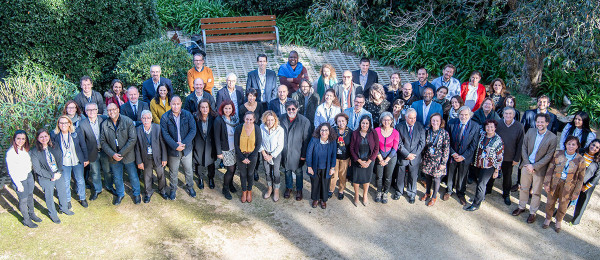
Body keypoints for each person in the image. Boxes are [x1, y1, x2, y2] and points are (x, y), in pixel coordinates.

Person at [511, 113, 557, 224]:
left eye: (542, 122)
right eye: (538, 122)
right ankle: (521, 206)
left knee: (536, 192)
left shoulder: (552, 137)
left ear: (547, 123)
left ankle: (533, 212)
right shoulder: (530, 131)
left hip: (539, 169)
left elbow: (549, 156)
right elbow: (524, 147)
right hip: (526, 166)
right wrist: (527, 163)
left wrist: (534, 166)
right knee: (523, 188)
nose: (539, 124)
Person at [100, 103, 141, 205]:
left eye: (113, 109)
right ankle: (120, 194)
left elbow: (132, 139)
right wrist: (113, 154)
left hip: (128, 154)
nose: (111, 112)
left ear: (118, 109)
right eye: (109, 110)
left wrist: (121, 154)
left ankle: (136, 194)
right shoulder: (105, 124)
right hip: (113, 156)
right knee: (117, 177)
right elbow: (103, 142)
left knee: (133, 175)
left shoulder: (127, 121)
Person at [542, 136, 586, 233]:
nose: (570, 146)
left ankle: (558, 221)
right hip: (554, 183)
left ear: (577, 146)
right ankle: (548, 218)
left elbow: (580, 178)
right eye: (569, 144)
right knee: (550, 202)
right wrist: (546, 183)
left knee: (563, 205)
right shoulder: (558, 154)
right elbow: (550, 169)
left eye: (573, 144)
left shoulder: (580, 160)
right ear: (565, 144)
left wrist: (576, 192)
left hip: (568, 187)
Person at [31, 128, 73, 224]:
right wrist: (51, 175)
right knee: (49, 195)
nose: (44, 138)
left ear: (49, 136)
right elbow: (37, 169)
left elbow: (59, 159)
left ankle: (64, 208)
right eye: (41, 137)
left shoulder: (54, 146)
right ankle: (53, 214)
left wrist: (58, 172)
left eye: (46, 136)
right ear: (37, 138)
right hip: (45, 177)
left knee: (62, 191)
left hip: (58, 173)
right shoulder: (34, 151)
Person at [160, 96, 197, 200]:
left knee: (188, 170)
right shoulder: (165, 117)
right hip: (173, 150)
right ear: (170, 104)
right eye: (173, 104)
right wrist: (176, 146)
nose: (175, 106)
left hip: (186, 148)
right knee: (173, 171)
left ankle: (190, 187)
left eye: (178, 104)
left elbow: (193, 130)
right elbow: (165, 134)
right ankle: (173, 189)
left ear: (181, 103)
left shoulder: (188, 115)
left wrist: (183, 144)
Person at [465, 120, 504, 211]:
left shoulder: (498, 140)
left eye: (491, 127)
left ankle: (476, 204)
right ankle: (480, 197)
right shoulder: (482, 135)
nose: (489, 128)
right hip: (478, 163)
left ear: (495, 128)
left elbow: (500, 156)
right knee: (479, 182)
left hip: (489, 166)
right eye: (487, 126)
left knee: (481, 184)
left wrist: (497, 170)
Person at [444, 106, 480, 205]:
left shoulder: (475, 126)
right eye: (461, 114)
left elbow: (474, 145)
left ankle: (460, 193)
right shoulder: (451, 123)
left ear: (470, 115)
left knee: (462, 176)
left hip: (465, 156)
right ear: (458, 115)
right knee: (451, 174)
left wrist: (463, 156)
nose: (463, 117)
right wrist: (453, 153)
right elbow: (447, 140)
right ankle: (449, 190)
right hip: (453, 154)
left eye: (466, 115)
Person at [52, 115, 89, 208]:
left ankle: (82, 198)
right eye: (61, 123)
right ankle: (67, 200)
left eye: (65, 122)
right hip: (64, 162)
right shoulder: (54, 134)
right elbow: (52, 149)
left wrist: (85, 158)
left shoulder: (76, 131)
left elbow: (83, 145)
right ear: (58, 124)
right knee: (66, 181)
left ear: (69, 123)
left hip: (77, 160)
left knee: (80, 180)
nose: (63, 125)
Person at [6, 130, 40, 228]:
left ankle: (32, 214)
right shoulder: (11, 153)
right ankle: (26, 220)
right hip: (19, 179)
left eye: (23, 139)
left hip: (28, 176)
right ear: (14, 139)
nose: (21, 141)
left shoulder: (25, 149)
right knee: (23, 200)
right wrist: (18, 184)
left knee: (30, 196)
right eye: (18, 138)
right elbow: (11, 171)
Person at [280, 100, 312, 201]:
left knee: (298, 171)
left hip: (297, 152)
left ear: (297, 109)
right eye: (289, 109)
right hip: (285, 151)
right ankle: (288, 187)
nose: (291, 111)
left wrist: (303, 155)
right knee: (287, 170)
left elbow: (307, 140)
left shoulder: (304, 121)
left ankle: (299, 189)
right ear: (286, 109)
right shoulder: (280, 119)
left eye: (293, 109)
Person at [492, 107, 524, 205]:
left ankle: (506, 194)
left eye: (510, 114)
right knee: (492, 173)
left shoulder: (519, 126)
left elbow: (520, 143)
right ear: (503, 114)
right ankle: (488, 190)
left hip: (509, 157)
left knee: (507, 177)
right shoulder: (498, 123)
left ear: (514, 115)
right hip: (496, 155)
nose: (508, 116)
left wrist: (516, 158)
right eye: (506, 113)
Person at [79, 103, 112, 200]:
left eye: (93, 109)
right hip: (92, 152)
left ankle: (109, 186)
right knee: (95, 172)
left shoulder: (104, 119)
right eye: (89, 110)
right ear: (85, 112)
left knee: (107, 170)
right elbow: (83, 142)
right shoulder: (82, 124)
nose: (91, 111)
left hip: (105, 151)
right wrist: (85, 157)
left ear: (97, 110)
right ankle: (98, 189)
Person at [135, 110, 168, 203]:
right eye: (144, 118)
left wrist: (164, 158)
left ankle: (162, 190)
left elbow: (163, 144)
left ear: (151, 119)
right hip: (146, 158)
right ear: (141, 119)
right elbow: (136, 147)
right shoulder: (138, 130)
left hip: (158, 157)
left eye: (148, 118)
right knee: (147, 176)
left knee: (161, 175)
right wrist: (139, 161)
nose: (146, 120)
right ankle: (148, 193)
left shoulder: (157, 128)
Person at [394, 108, 425, 203]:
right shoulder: (399, 126)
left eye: (414, 118)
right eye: (411, 118)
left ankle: (411, 193)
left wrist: (413, 155)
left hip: (415, 157)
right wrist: (407, 154)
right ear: (406, 117)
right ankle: (399, 192)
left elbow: (422, 142)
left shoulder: (420, 126)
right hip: (403, 156)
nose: (413, 120)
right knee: (400, 175)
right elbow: (399, 143)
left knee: (413, 176)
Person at [419, 113, 450, 207]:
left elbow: (446, 149)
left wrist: (443, 163)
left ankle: (434, 196)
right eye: (433, 120)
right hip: (428, 159)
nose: (435, 122)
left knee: (437, 179)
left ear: (441, 122)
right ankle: (427, 192)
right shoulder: (427, 131)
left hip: (438, 161)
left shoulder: (444, 133)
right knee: (428, 176)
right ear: (431, 121)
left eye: (437, 121)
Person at [350, 115, 379, 206]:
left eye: (367, 123)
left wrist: (368, 162)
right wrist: (359, 161)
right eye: (363, 123)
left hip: (369, 161)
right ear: (360, 123)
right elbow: (351, 148)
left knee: (367, 179)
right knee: (356, 179)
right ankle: (356, 196)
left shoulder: (373, 133)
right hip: (357, 161)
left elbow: (376, 148)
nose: (365, 125)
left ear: (369, 124)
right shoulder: (355, 133)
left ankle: (365, 195)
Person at [306, 123, 337, 209]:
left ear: (329, 131)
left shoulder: (332, 141)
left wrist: (332, 168)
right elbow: (309, 153)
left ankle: (323, 200)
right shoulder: (314, 140)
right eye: (322, 130)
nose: (324, 132)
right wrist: (309, 167)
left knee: (325, 184)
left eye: (326, 130)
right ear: (319, 131)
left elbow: (334, 155)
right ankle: (315, 199)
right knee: (315, 183)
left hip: (326, 168)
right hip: (315, 167)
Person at [234, 111, 262, 203]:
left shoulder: (257, 129)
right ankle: (244, 191)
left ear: (254, 119)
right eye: (247, 119)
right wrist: (242, 158)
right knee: (242, 174)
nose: (248, 121)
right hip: (241, 155)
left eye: (250, 119)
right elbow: (236, 144)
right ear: (244, 119)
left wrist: (250, 158)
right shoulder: (238, 128)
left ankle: (249, 191)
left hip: (252, 155)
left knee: (250, 174)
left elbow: (258, 145)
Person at [214, 100, 240, 200]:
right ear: (222, 109)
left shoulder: (234, 119)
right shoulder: (219, 120)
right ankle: (225, 188)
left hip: (235, 148)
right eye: (226, 108)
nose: (228, 110)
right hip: (226, 148)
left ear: (232, 109)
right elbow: (216, 137)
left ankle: (230, 184)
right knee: (230, 169)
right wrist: (219, 152)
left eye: (229, 108)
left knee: (234, 168)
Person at [374, 112, 401, 204]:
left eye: (389, 120)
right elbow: (375, 146)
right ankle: (378, 191)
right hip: (379, 157)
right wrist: (381, 159)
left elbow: (395, 148)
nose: (386, 121)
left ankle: (385, 192)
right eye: (384, 119)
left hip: (391, 158)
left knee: (388, 177)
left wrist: (386, 160)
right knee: (379, 176)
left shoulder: (395, 132)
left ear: (391, 121)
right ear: (381, 120)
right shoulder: (376, 130)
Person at [571, 139, 600, 225]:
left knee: (582, 202)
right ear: (590, 143)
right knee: (567, 198)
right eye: (593, 145)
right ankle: (558, 213)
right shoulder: (581, 151)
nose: (594, 148)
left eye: (597, 147)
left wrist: (586, 187)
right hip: (574, 179)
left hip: (587, 184)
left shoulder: (598, 161)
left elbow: (597, 176)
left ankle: (575, 220)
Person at [259, 110, 285, 202]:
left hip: (275, 154)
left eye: (272, 120)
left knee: (276, 172)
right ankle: (270, 188)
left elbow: (280, 145)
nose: (270, 122)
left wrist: (272, 156)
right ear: (265, 120)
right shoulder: (261, 127)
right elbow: (259, 142)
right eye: (268, 120)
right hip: (265, 153)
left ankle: (276, 189)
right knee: (267, 171)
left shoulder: (280, 130)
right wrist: (264, 153)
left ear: (275, 120)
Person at [193, 99, 218, 190]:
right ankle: (200, 178)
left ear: (209, 107)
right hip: (198, 143)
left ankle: (211, 178)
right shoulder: (195, 117)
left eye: (206, 107)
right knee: (199, 163)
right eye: (202, 107)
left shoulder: (214, 117)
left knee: (211, 163)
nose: (205, 109)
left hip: (210, 144)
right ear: (199, 108)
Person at [332, 113, 352, 200]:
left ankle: (341, 190)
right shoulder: (333, 130)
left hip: (345, 158)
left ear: (346, 121)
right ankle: (331, 189)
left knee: (342, 175)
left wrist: (351, 158)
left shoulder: (350, 132)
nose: (341, 123)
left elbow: (352, 146)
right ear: (336, 122)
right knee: (334, 175)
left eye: (343, 121)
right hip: (334, 157)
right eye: (339, 121)